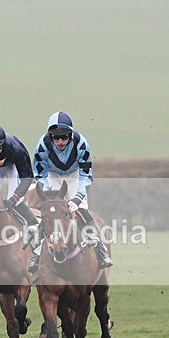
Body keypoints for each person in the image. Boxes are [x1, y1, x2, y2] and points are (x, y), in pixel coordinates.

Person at [29, 111, 112, 273]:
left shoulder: (81, 144)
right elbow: (40, 175)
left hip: (75, 176)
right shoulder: (41, 146)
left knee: (81, 209)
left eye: (64, 137)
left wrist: (77, 199)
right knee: (49, 213)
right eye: (55, 137)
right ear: (49, 136)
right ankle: (36, 253)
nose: (60, 141)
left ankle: (101, 250)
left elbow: (86, 176)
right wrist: (49, 197)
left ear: (71, 135)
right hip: (51, 176)